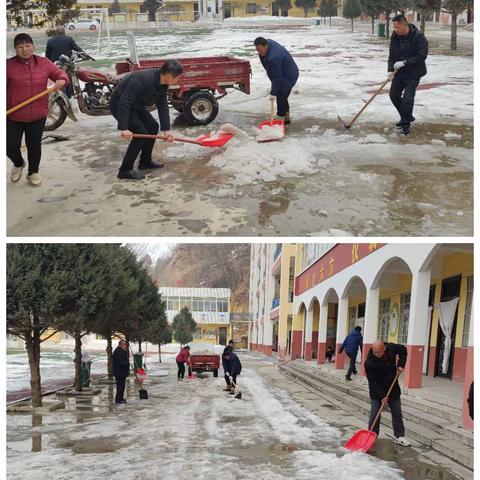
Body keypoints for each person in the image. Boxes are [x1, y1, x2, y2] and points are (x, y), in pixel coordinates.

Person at [7, 33, 69, 187]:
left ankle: (33, 172)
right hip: (13, 114)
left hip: (38, 114)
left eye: (27, 46)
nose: (24, 49)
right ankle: (19, 163)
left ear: (33, 46)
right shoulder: (8, 65)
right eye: (20, 47)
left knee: (34, 145)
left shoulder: (43, 62)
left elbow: (59, 73)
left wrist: (62, 79)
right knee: (9, 146)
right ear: (15, 49)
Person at [109, 60, 183, 180]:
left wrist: (166, 129)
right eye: (177, 77)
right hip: (119, 105)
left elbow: (162, 105)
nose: (178, 80)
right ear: (169, 76)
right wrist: (124, 128)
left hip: (136, 105)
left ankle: (145, 161)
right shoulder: (143, 78)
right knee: (141, 133)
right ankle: (125, 169)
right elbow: (125, 101)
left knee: (153, 127)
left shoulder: (163, 83)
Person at [387, 14, 428, 135]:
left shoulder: (418, 36)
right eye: (393, 27)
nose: (394, 30)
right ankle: (408, 116)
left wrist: (405, 62)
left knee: (407, 99)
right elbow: (392, 54)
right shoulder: (395, 35)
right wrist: (390, 70)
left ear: (404, 25)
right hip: (399, 72)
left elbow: (422, 56)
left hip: (414, 72)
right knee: (393, 94)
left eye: (396, 27)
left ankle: (405, 124)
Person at [364, 339, 410, 446]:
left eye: (378, 352)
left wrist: (400, 365)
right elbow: (373, 382)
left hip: (392, 387)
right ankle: (372, 436)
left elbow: (403, 350)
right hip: (377, 391)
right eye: (374, 351)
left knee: (397, 412)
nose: (376, 354)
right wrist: (382, 396)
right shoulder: (369, 362)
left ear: (384, 348)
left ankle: (400, 436)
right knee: (375, 413)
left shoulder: (391, 348)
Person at [254, 37, 299, 125]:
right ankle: (281, 115)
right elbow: (268, 67)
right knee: (280, 93)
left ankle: (285, 117)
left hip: (289, 74)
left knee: (282, 94)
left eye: (260, 50)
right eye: (257, 50)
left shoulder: (274, 57)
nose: (259, 52)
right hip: (281, 71)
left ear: (266, 46)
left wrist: (273, 92)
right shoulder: (267, 47)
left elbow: (277, 76)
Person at [45, 26, 84, 98]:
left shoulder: (50, 41)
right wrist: (83, 54)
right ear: (64, 33)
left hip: (55, 66)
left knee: (57, 80)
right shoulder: (69, 39)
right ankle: (70, 97)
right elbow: (77, 49)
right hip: (67, 64)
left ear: (56, 33)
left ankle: (58, 95)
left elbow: (47, 55)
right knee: (69, 80)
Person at [112, 340, 130, 405]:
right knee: (120, 386)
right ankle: (118, 400)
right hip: (119, 372)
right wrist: (127, 363)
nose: (125, 346)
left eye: (125, 344)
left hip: (122, 372)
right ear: (120, 345)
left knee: (122, 386)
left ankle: (121, 398)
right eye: (123, 344)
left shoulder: (122, 351)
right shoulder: (118, 352)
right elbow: (120, 362)